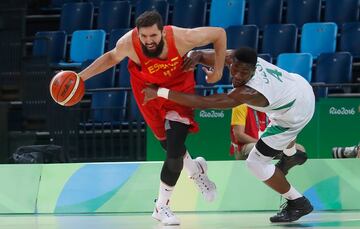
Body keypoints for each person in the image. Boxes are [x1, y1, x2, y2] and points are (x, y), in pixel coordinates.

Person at [77, 11, 226, 225]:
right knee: (167, 146)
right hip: (147, 93)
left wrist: (219, 70)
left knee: (174, 151)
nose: (148, 41)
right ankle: (196, 169)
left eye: (153, 36)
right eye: (144, 36)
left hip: (177, 91)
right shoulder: (129, 43)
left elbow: (219, 34)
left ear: (163, 33)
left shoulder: (182, 38)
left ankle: (161, 206)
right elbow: (111, 57)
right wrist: (80, 77)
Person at [143, 47, 315, 223]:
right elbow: (201, 55)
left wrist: (159, 91)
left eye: (245, 73)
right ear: (231, 62)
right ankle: (292, 155)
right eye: (236, 70)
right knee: (277, 115)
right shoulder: (235, 57)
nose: (239, 76)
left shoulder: (250, 92)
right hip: (298, 86)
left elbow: (204, 103)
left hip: (295, 113)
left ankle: (298, 202)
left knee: (256, 163)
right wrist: (194, 56)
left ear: (254, 71)